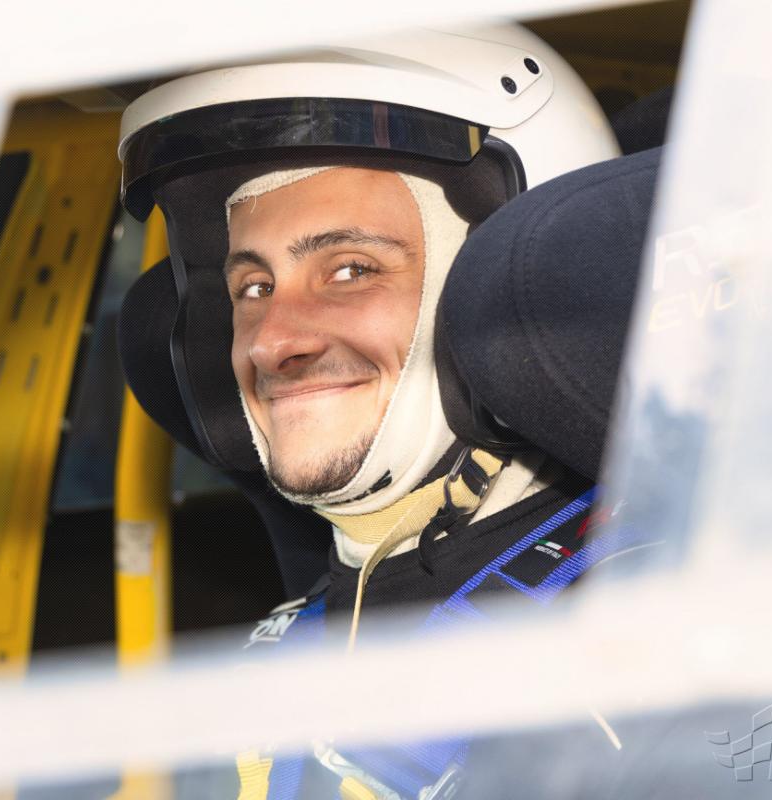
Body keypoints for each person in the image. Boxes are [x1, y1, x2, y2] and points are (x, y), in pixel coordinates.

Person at [116, 22, 663, 798]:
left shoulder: (657, 655)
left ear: (503, 285)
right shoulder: (274, 664)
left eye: (350, 270)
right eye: (253, 288)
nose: (272, 341)